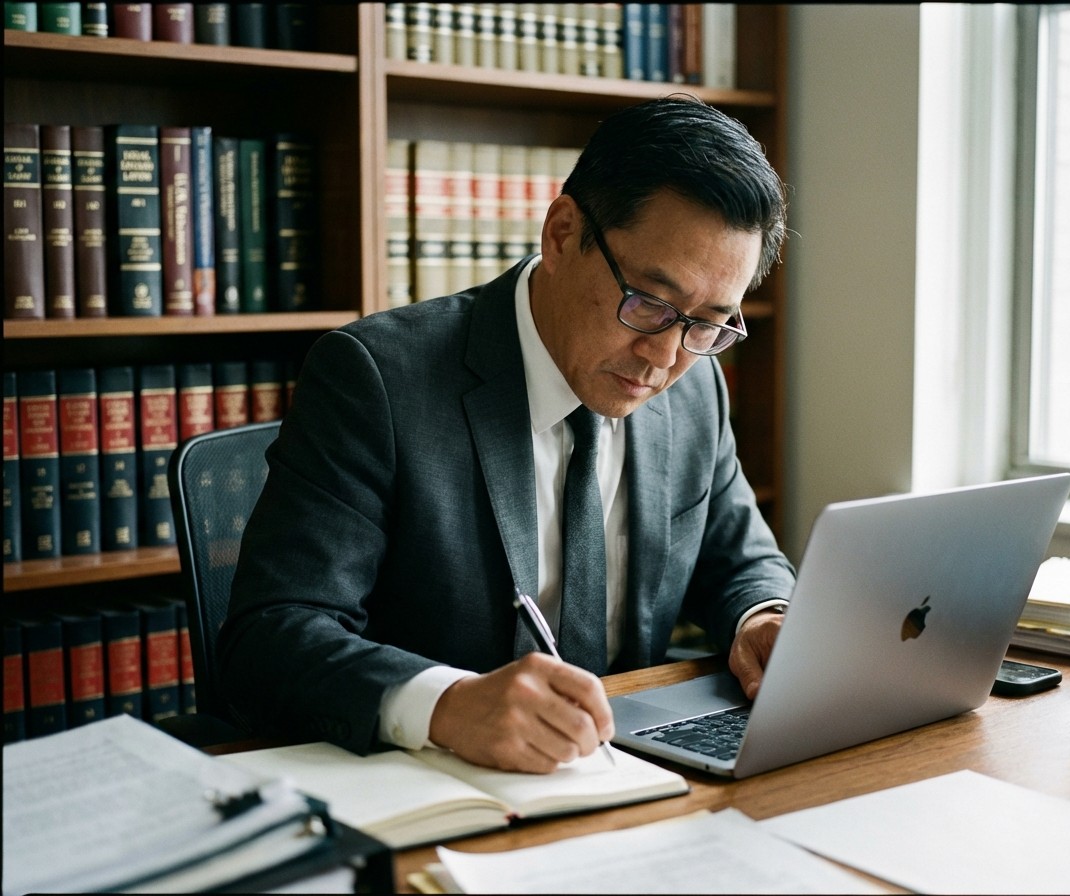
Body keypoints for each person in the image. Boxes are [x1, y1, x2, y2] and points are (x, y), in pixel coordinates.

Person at [218, 95, 797, 774]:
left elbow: (740, 559)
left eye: (707, 324)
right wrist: (446, 703)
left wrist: (763, 620)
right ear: (560, 233)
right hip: (437, 782)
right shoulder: (378, 378)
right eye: (649, 303)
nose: (666, 358)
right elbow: (270, 638)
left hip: (629, 775)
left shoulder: (697, 385)